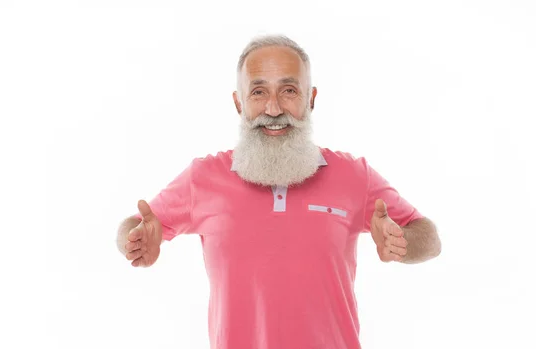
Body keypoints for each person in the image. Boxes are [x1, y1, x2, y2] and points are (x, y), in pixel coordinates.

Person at [116, 34, 441, 349]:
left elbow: (428, 237)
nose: (273, 109)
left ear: (310, 98)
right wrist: (136, 239)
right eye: (258, 92)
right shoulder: (202, 178)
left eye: (288, 90)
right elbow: (133, 226)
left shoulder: (354, 175)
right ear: (238, 102)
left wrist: (404, 244)